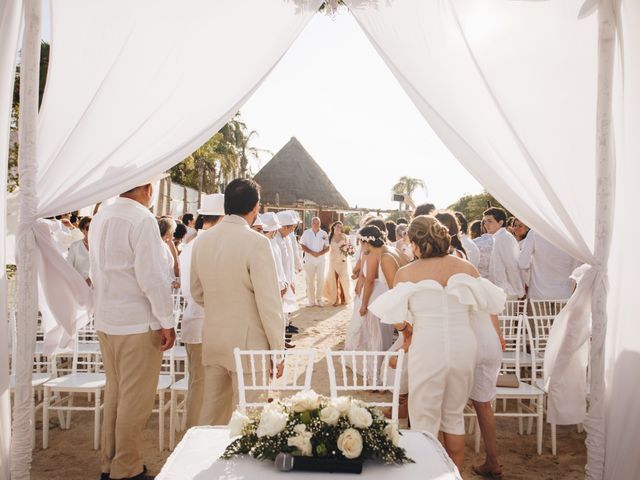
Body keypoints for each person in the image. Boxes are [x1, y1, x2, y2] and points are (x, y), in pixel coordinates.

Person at [369, 215, 505, 471]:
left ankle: (425, 474)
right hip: (463, 345)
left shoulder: (407, 272)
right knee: (453, 416)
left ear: (417, 243)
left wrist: (406, 329)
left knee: (424, 418)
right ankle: (452, 475)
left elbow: (395, 316)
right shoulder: (465, 267)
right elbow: (487, 305)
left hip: (427, 345)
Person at [90, 175, 176, 480]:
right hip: (136, 323)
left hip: (106, 319)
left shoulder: (101, 217)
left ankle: (109, 463)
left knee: (115, 395)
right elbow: (152, 277)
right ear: (147, 188)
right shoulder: (141, 219)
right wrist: (167, 321)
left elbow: (96, 271)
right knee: (134, 401)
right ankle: (125, 468)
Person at [191, 179, 284, 425]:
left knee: (211, 416)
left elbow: (197, 292)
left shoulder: (202, 240)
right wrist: (278, 350)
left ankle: (205, 459)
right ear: (256, 207)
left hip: (213, 338)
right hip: (249, 343)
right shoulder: (257, 242)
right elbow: (269, 304)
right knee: (251, 418)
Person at [178, 194, 224, 428]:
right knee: (206, 386)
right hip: (206, 323)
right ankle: (196, 435)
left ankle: (198, 434)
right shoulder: (209, 245)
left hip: (198, 322)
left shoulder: (190, 246)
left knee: (201, 384)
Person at [518, 230, 580, 300]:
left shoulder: (535, 232)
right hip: (564, 294)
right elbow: (579, 267)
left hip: (538, 293)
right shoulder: (572, 234)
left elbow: (522, 263)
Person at [483, 207, 525, 299]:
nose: (486, 224)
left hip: (507, 292)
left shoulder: (503, 238)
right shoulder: (498, 237)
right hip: (501, 291)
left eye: (490, 221)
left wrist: (520, 292)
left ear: (501, 222)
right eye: (485, 221)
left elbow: (512, 266)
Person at [299, 217, 330, 307]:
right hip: (309, 260)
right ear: (311, 224)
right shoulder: (306, 233)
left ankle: (319, 299)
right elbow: (302, 245)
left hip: (321, 260)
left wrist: (319, 253)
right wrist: (311, 252)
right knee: (309, 280)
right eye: (314, 223)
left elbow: (327, 247)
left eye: (317, 223)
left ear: (319, 224)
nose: (316, 224)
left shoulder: (324, 233)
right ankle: (311, 301)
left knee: (320, 280)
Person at [323, 221, 353, 306]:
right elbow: (326, 247)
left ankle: (344, 298)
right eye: (337, 226)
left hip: (343, 260)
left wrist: (349, 250)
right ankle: (335, 298)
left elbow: (349, 247)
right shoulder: (329, 237)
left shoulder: (344, 236)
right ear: (333, 227)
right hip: (333, 260)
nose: (339, 228)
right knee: (334, 279)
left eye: (340, 227)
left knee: (343, 279)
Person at [67, 216, 92, 286]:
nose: (92, 230)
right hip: (78, 285)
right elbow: (69, 266)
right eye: (89, 228)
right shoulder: (75, 246)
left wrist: (90, 280)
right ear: (82, 230)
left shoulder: (99, 247)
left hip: (96, 286)